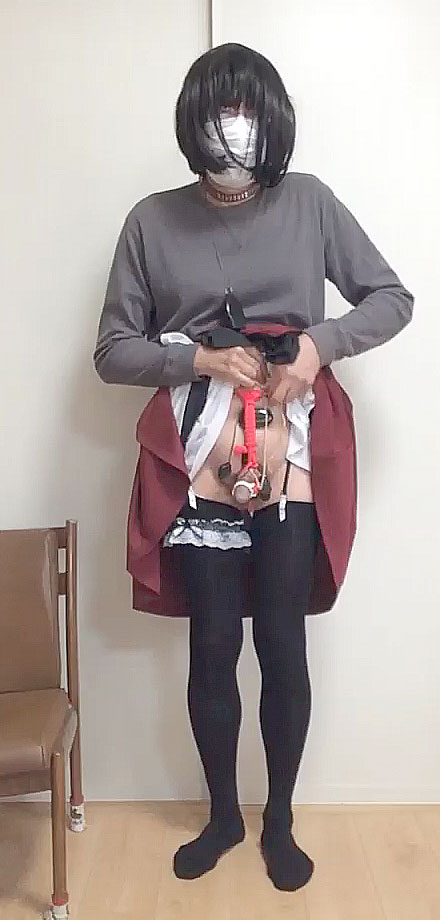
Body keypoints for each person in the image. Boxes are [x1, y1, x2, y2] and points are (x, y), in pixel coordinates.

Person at [93, 43, 414, 892]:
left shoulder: (310, 201)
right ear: (191, 121)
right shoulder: (151, 220)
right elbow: (113, 350)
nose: (232, 126)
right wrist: (196, 359)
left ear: (271, 119)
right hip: (201, 444)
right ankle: (223, 816)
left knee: (280, 639)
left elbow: (391, 298)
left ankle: (279, 820)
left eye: (245, 109)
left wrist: (318, 344)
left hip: (288, 439)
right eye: (217, 109)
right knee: (211, 644)